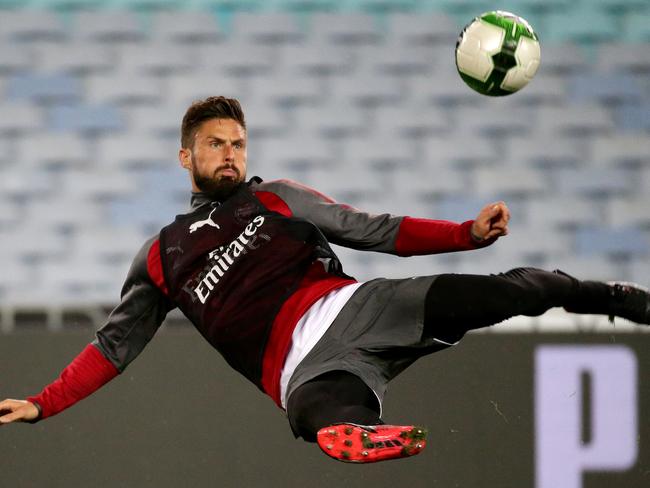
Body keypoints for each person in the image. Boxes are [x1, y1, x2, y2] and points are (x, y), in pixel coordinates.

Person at [1, 96, 648, 464]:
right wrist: (42, 403)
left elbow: (375, 230)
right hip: (297, 371)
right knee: (322, 416)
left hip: (358, 309)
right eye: (216, 143)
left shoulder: (278, 199)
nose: (230, 154)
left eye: (239, 143)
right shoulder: (160, 255)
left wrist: (464, 234)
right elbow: (114, 347)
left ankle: (616, 298)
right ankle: (354, 432)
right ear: (186, 156)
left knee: (514, 292)